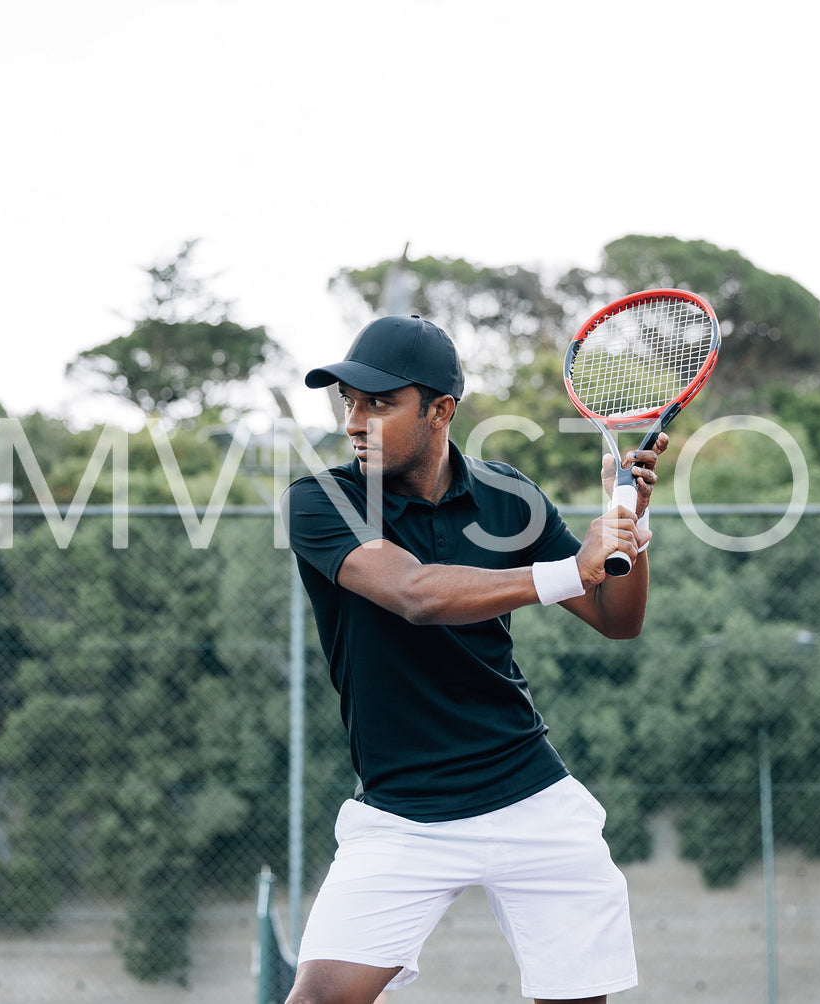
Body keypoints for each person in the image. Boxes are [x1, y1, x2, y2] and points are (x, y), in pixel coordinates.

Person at [280, 314, 665, 1004]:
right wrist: (570, 571)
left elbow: (617, 619)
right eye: (349, 403)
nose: (354, 422)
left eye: (378, 403)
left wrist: (630, 528)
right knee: (318, 998)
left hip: (529, 794)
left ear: (439, 410)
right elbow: (414, 593)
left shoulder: (507, 496)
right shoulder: (321, 499)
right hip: (401, 813)